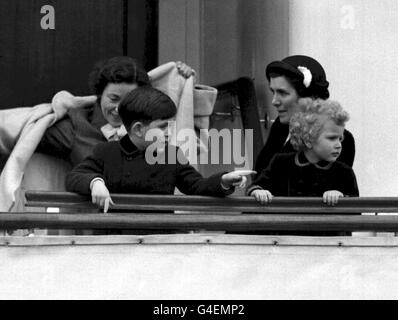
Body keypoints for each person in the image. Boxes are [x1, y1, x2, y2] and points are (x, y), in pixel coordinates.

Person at [66, 86, 248, 213]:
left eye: (170, 126)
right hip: (115, 242)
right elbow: (75, 177)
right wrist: (95, 183)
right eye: (162, 127)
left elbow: (197, 185)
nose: (170, 132)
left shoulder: (172, 155)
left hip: (159, 241)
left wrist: (223, 180)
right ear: (138, 129)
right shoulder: (106, 152)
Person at [35, 56, 194, 167]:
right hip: (93, 213)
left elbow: (190, 134)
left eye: (129, 100)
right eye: (113, 98)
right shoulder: (76, 125)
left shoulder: (153, 125)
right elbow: (23, 134)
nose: (119, 108)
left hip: (147, 213)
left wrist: (185, 84)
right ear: (99, 95)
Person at [254, 55, 355, 176]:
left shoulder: (338, 139)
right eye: (273, 92)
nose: (274, 101)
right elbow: (260, 174)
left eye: (282, 93)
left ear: (309, 97)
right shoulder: (280, 127)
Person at [248, 99, 359, 204]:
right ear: (308, 140)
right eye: (332, 138)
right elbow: (257, 186)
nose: (339, 145)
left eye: (340, 139)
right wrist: (257, 191)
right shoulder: (280, 163)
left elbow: (356, 208)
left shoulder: (344, 172)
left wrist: (341, 197)